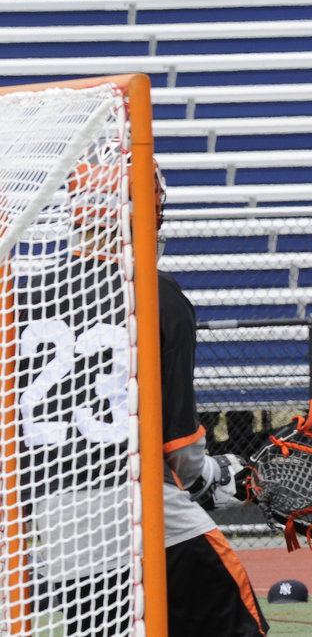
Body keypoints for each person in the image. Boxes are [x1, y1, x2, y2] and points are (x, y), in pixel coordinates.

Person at [17, 155, 269, 636]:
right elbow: (179, 450)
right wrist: (217, 475)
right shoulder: (158, 296)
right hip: (142, 508)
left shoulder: (27, 296)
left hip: (58, 523)